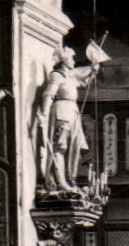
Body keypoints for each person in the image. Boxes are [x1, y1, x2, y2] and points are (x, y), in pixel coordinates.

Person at [31, 43, 104, 197]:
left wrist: (93, 71)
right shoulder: (57, 75)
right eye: (71, 58)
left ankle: (69, 178)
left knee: (74, 146)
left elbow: (83, 82)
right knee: (60, 147)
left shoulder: (69, 77)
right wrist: (44, 114)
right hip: (62, 111)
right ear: (64, 60)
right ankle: (60, 182)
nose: (74, 61)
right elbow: (48, 94)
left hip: (72, 112)